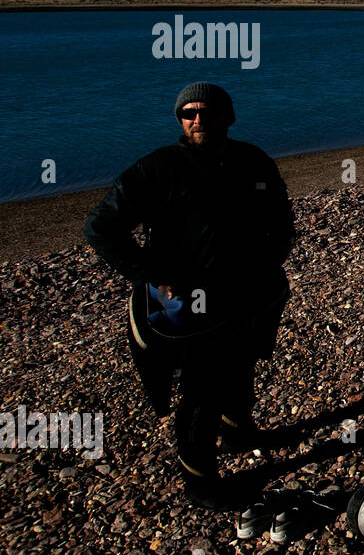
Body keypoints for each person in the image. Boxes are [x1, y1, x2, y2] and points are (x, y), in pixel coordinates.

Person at [84, 83, 295, 508]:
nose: (196, 119)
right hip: (188, 308)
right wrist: (150, 275)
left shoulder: (252, 161)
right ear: (180, 121)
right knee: (201, 393)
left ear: (228, 117)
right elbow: (101, 227)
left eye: (207, 111)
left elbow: (280, 218)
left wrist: (270, 262)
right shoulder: (157, 169)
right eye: (187, 113)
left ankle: (238, 430)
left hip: (244, 294)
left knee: (244, 362)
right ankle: (200, 481)